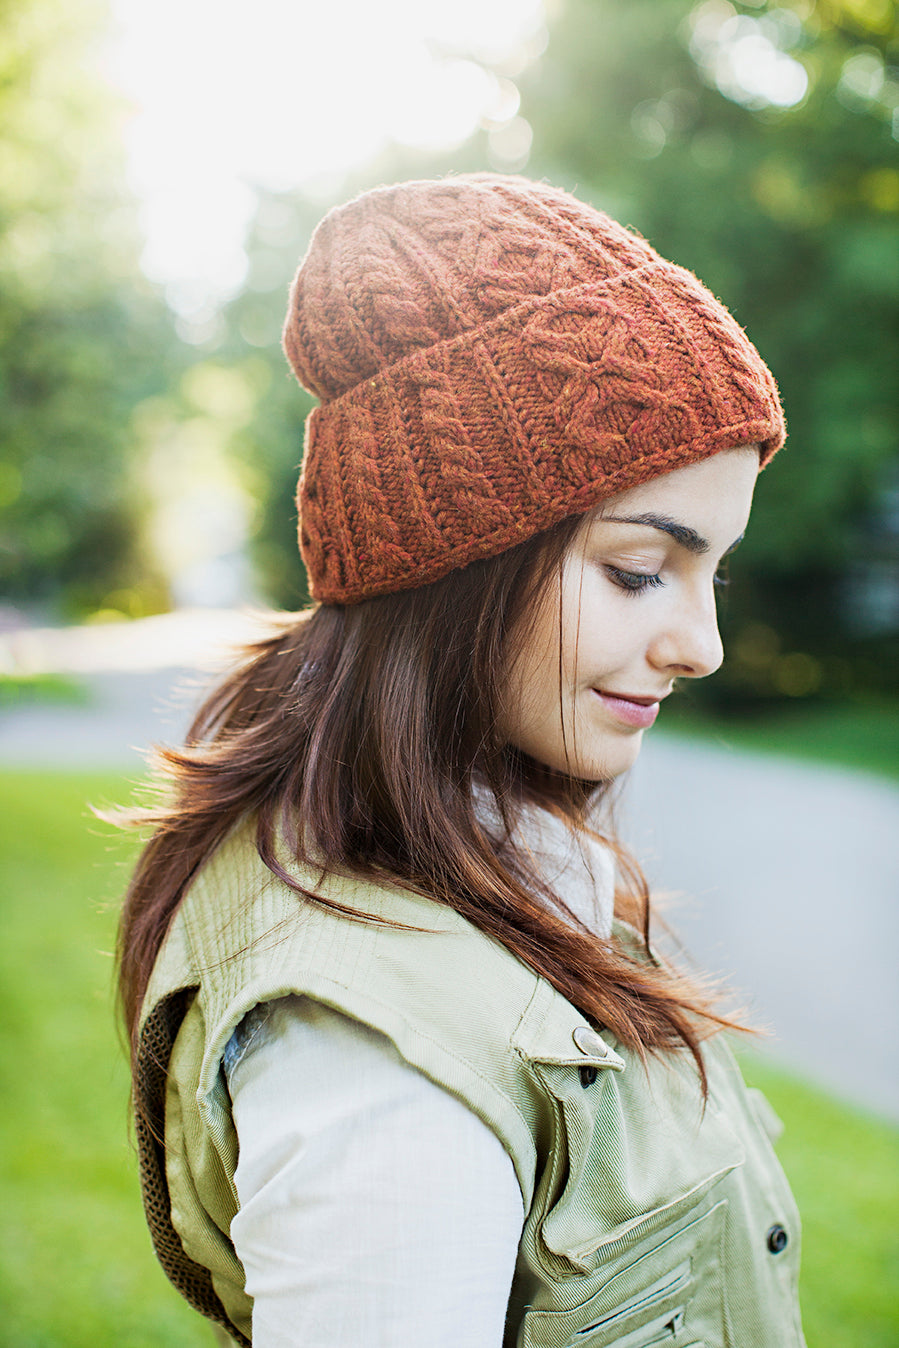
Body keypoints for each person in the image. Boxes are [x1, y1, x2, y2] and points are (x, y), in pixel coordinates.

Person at [118, 174, 805, 1347]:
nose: (699, 644)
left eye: (714, 572)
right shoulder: (374, 1070)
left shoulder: (488, 853)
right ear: (453, 564)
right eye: (640, 569)